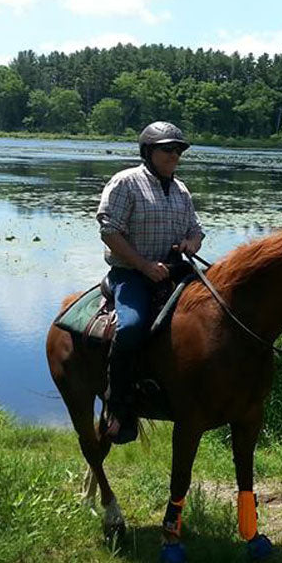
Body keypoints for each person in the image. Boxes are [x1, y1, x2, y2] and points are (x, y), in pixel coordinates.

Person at [96, 121, 205, 443]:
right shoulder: (125, 182)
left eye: (179, 150)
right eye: (168, 149)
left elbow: (196, 230)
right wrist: (143, 266)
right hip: (130, 274)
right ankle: (117, 407)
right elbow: (109, 230)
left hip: (174, 270)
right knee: (130, 327)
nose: (175, 155)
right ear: (149, 151)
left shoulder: (181, 189)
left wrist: (191, 245)